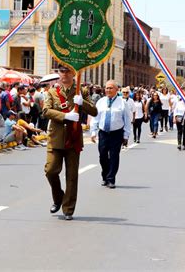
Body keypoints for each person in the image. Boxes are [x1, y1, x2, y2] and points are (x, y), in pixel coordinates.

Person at [43, 65, 97, 220]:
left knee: (72, 176)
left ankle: (68, 209)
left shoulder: (82, 91)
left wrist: (82, 103)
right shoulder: (52, 91)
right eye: (61, 71)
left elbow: (94, 111)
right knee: (51, 170)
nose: (64, 74)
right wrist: (65, 116)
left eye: (67, 71)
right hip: (56, 137)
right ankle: (58, 197)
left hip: (73, 137)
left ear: (74, 72)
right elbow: (46, 111)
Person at [90, 80, 132, 188]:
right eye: (107, 88)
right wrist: (93, 131)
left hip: (116, 133)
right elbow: (96, 117)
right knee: (102, 156)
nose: (108, 90)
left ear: (116, 90)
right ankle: (105, 175)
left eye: (111, 88)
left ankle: (111, 178)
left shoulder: (122, 102)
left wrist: (126, 135)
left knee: (114, 156)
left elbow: (127, 119)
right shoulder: (101, 102)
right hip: (103, 133)